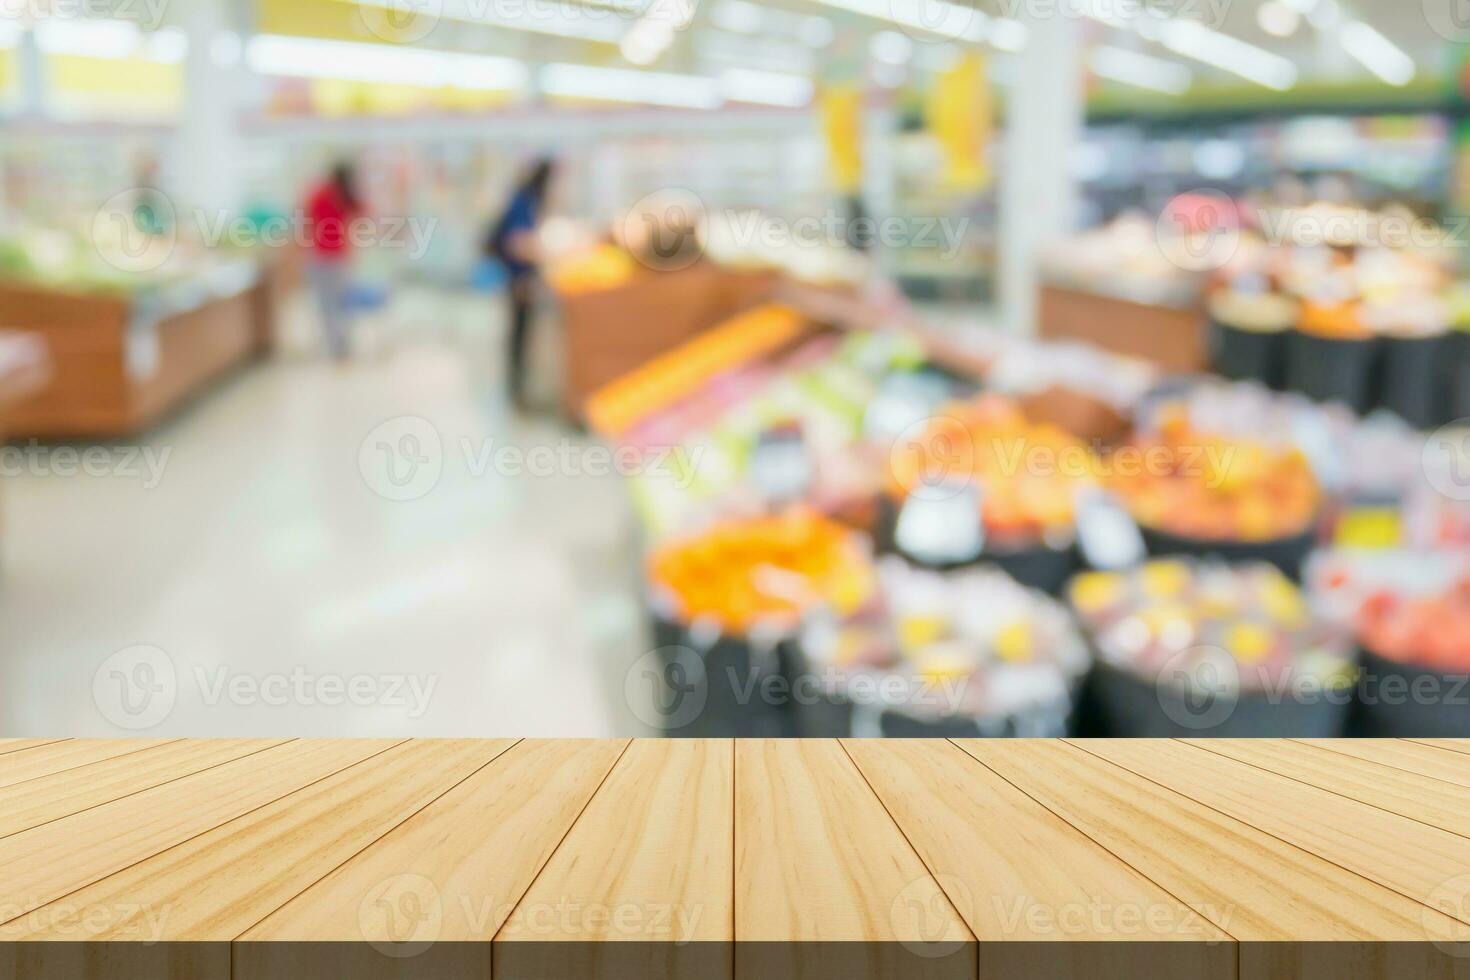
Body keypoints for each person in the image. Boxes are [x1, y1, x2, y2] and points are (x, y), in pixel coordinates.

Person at [486, 158, 555, 409]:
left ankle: (517, 391)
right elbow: (518, 243)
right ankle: (517, 393)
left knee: (519, 336)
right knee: (519, 336)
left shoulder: (522, 199)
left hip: (518, 278)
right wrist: (547, 252)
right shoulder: (524, 203)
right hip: (519, 279)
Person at [304, 163, 361, 361]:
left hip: (321, 257)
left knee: (326, 305)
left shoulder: (321, 194)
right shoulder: (346, 196)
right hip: (341, 258)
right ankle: (342, 344)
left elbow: (306, 219)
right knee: (341, 303)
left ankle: (335, 347)